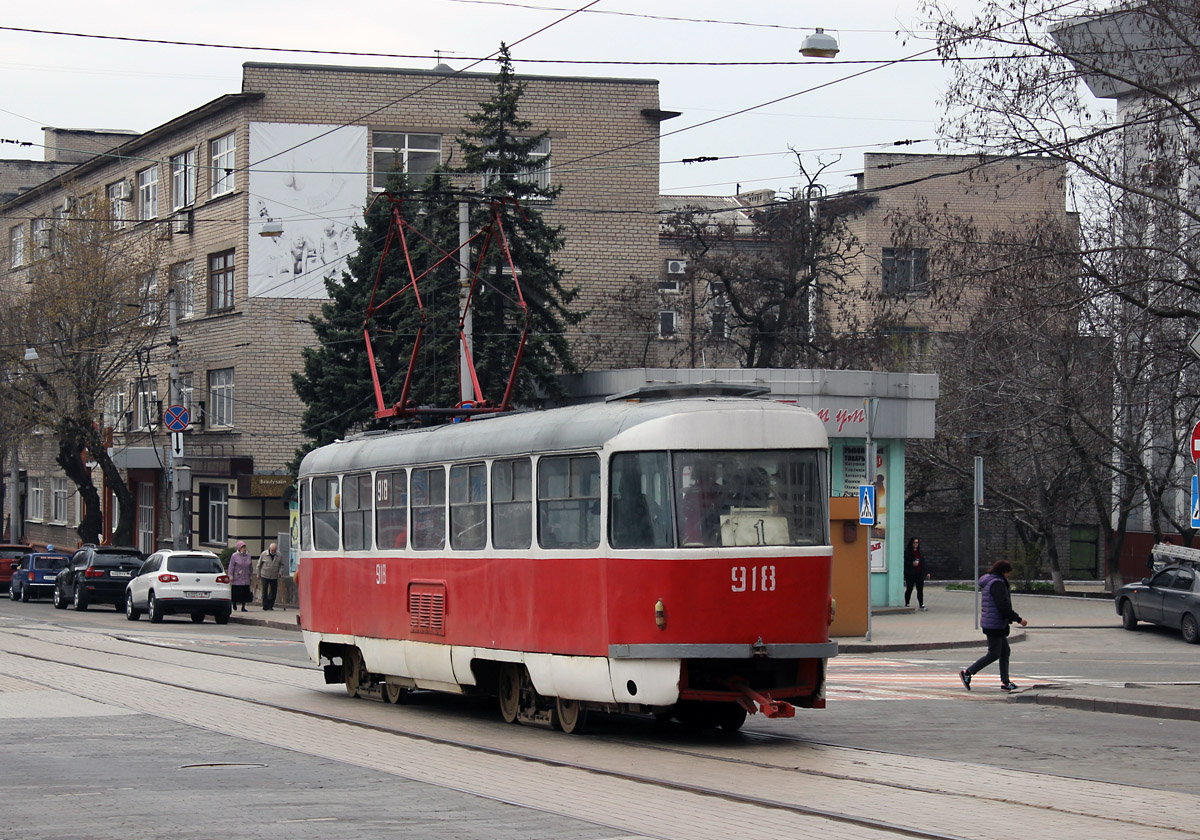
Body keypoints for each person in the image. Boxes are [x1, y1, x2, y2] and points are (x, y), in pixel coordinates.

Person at [959, 560, 1028, 692]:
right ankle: (968, 673)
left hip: (994, 622)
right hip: (994, 624)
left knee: (1005, 651)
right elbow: (1003, 606)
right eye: (1008, 573)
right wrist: (1019, 619)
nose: (1009, 575)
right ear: (1003, 571)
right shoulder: (997, 583)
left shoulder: (991, 581)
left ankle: (1005, 682)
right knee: (994, 653)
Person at [257, 542, 285, 611]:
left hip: (274, 575)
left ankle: (270, 605)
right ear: (269, 549)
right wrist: (258, 574)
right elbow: (259, 565)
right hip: (264, 575)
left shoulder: (279, 555)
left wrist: (280, 572)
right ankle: (265, 605)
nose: (273, 551)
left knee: (273, 591)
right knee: (265, 590)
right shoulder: (264, 554)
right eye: (272, 550)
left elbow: (282, 565)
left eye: (274, 550)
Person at [228, 541, 253, 612]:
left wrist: (250, 574)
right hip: (237, 578)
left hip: (246, 577)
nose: (244, 549)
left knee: (245, 593)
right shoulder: (234, 556)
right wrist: (231, 576)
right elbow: (231, 566)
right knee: (236, 592)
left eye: (244, 547)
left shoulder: (248, 555)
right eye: (242, 547)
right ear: (239, 548)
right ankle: (234, 603)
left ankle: (243, 606)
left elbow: (250, 566)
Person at [904, 537, 928, 610]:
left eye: (917, 542)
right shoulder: (907, 552)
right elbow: (904, 562)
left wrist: (926, 572)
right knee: (909, 588)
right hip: (910, 573)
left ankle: (921, 604)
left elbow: (923, 563)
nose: (915, 544)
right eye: (914, 542)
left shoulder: (920, 552)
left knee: (920, 589)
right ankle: (907, 603)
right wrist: (912, 563)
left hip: (919, 573)